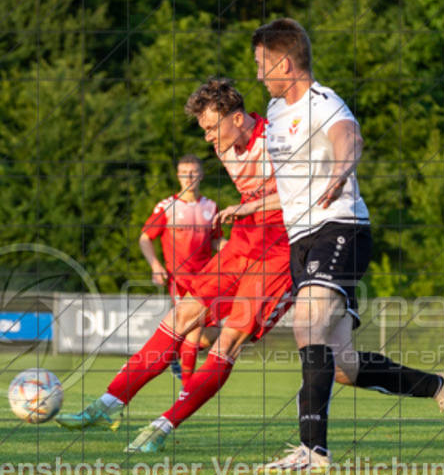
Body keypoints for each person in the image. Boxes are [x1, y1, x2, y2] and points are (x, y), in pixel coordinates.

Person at [252, 18, 444, 470]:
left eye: (261, 64)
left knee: (306, 325)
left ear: (284, 63)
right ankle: (439, 387)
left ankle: (312, 451)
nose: (258, 74)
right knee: (341, 366)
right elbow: (295, 184)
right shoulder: (275, 113)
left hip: (340, 229)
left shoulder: (324, 102)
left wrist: (341, 172)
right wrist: (249, 206)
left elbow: (349, 138)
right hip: (302, 241)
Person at [56, 78, 293, 453]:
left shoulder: (280, 138)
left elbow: (307, 193)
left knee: (229, 340)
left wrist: (248, 207)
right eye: (204, 130)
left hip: (282, 249)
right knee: (181, 316)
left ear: (237, 118)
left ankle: (162, 427)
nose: (208, 138)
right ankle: (108, 404)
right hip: (245, 240)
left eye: (212, 127)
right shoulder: (224, 147)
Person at [139, 154, 222, 382]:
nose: (189, 177)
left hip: (206, 279)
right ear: (178, 176)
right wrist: (155, 265)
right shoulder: (167, 206)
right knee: (194, 329)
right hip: (180, 279)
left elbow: (216, 241)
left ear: (201, 175)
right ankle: (187, 388)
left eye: (193, 172)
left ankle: (174, 356)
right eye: (184, 173)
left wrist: (240, 252)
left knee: (213, 333)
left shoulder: (211, 206)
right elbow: (145, 237)